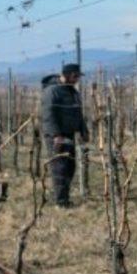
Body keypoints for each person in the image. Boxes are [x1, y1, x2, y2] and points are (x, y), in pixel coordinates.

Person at [39, 63, 88, 208]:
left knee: (70, 166)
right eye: (75, 76)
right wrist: (55, 135)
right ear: (66, 75)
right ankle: (60, 202)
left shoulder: (72, 92)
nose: (77, 79)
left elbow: (78, 113)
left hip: (69, 134)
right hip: (57, 136)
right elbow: (48, 115)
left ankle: (65, 197)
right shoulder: (51, 92)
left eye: (78, 76)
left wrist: (83, 130)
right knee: (60, 166)